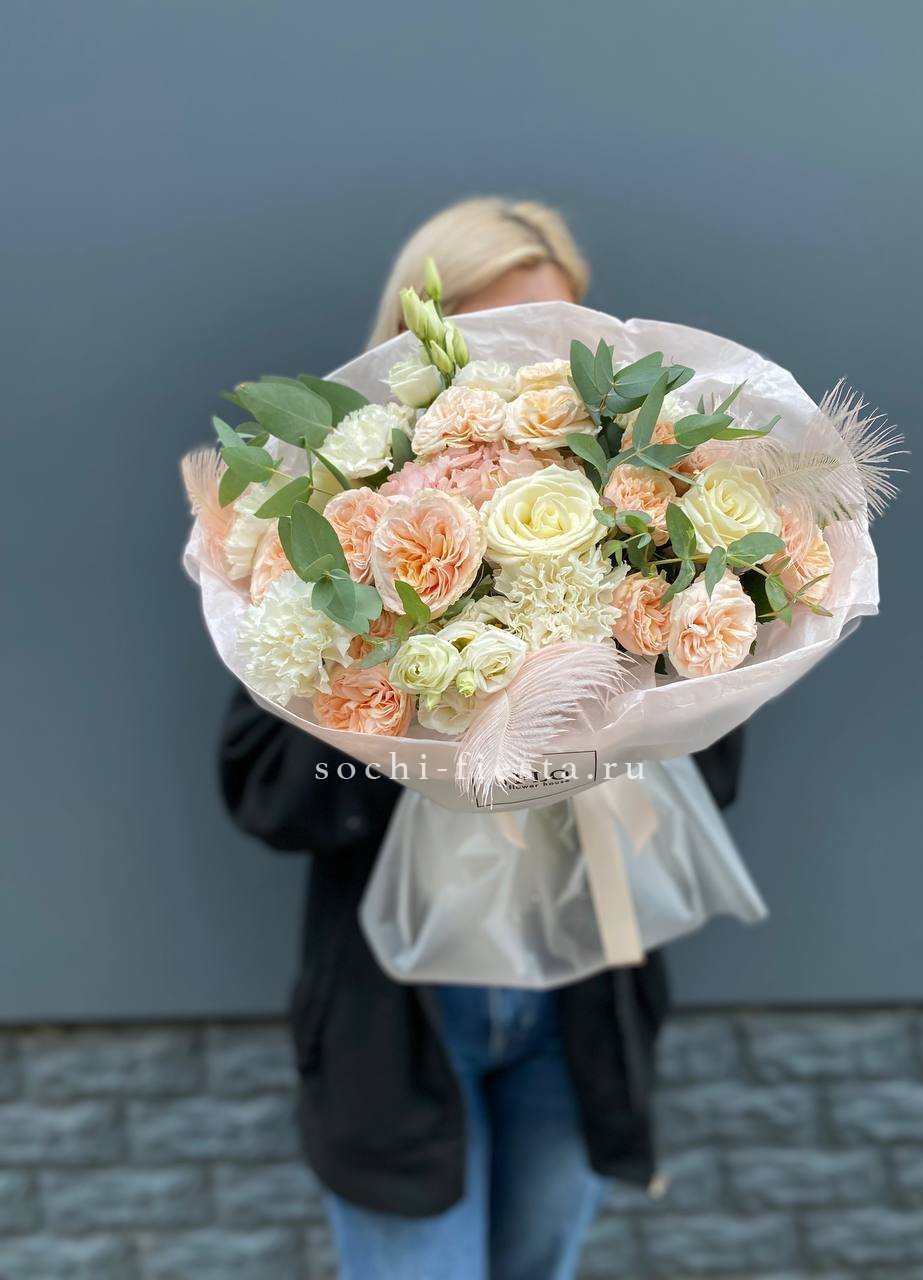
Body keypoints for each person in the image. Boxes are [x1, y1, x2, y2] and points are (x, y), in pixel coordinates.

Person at [219, 197, 743, 1280]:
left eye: (559, 332)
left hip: (579, 1000)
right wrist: (416, 701)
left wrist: (622, 678)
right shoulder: (325, 516)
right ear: (417, 338)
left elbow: (719, 765)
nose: (532, 362)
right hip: (401, 1010)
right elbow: (266, 787)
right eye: (498, 331)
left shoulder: (645, 507)